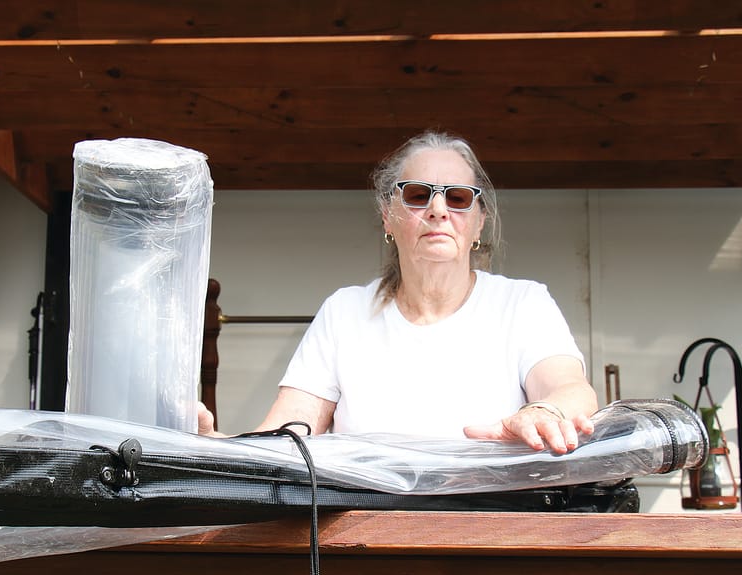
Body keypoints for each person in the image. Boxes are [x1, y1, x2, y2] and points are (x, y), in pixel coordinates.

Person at [199, 130, 597, 452]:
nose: (438, 210)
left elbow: (571, 389)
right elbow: (289, 432)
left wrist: (544, 411)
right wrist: (220, 450)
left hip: (488, 528)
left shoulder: (523, 303)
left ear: (479, 223)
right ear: (388, 216)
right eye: (418, 195)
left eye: (458, 198)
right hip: (364, 535)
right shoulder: (345, 311)